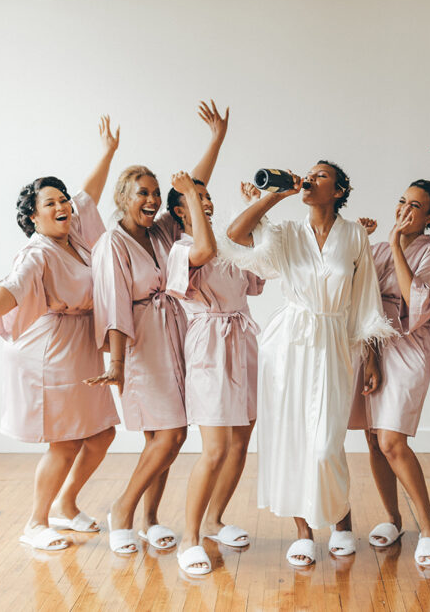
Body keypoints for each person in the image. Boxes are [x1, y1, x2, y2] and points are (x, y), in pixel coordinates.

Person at [0, 116, 121, 551]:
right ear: (33, 217)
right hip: (51, 351)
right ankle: (35, 523)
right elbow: (12, 288)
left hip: (80, 345)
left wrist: (108, 152)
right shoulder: (37, 252)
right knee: (66, 441)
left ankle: (66, 505)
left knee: (101, 433)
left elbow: (90, 194)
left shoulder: (73, 232)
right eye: (51, 204)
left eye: (63, 201)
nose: (63, 207)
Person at [223, 160, 393, 567]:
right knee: (292, 439)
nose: (310, 179)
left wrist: (371, 355)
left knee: (325, 444)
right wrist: (274, 196)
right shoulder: (286, 232)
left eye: (321, 175)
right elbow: (235, 235)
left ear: (338, 191)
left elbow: (367, 296)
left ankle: (341, 521)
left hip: (333, 341)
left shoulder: (354, 235)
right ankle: (302, 532)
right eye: (309, 174)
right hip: (287, 345)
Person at [86, 102, 228, 569]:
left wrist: (214, 142)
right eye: (142, 194)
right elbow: (112, 305)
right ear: (124, 197)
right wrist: (117, 364)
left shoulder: (164, 229)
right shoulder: (112, 243)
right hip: (140, 345)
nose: (151, 201)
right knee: (169, 434)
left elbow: (188, 194)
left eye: (154, 194)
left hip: (177, 337)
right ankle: (122, 511)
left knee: (163, 437)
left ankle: (150, 519)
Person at [165, 171, 267, 576]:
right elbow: (204, 250)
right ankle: (189, 538)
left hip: (244, 338)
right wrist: (190, 191)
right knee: (215, 448)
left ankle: (214, 520)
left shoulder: (227, 243)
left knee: (242, 440)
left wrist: (253, 219)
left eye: (207, 197)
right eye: (195, 198)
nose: (205, 202)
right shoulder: (182, 248)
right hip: (209, 342)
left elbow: (258, 277)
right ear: (180, 210)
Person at [347, 178, 430, 566]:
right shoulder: (373, 249)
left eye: (415, 206)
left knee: (392, 440)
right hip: (371, 344)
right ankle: (393, 518)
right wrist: (360, 243)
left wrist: (392, 244)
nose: (404, 210)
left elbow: (416, 302)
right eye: (402, 202)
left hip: (407, 346)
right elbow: (358, 301)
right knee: (373, 439)